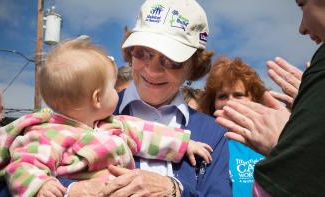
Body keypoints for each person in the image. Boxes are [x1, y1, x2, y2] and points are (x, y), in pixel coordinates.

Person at [0, 39, 212, 197]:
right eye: (112, 88)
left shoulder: (114, 125)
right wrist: (40, 186)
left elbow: (148, 134)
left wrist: (184, 144)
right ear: (97, 98)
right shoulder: (46, 134)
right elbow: (24, 165)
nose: (118, 92)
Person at [85, 0, 231, 196]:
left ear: (193, 67)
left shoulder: (212, 133)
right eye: (142, 53)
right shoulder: (87, 111)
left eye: (171, 61)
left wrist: (175, 189)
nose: (152, 71)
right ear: (130, 53)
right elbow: (43, 164)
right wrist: (73, 190)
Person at [214, 0, 325, 196]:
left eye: (301, 4)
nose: (301, 28)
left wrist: (292, 143)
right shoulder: (209, 142)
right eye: (222, 96)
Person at [199, 56, 266, 197]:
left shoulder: (272, 139)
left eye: (238, 95)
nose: (230, 102)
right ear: (212, 104)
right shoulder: (206, 142)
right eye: (222, 96)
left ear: (253, 98)